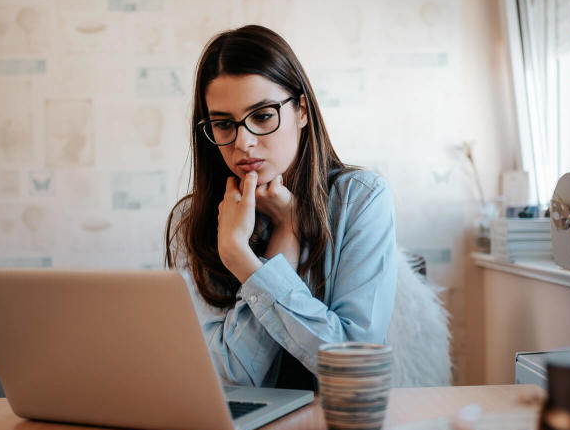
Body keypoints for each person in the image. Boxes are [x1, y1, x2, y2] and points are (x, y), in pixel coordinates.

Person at [165, 25, 397, 390]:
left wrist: (244, 262)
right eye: (224, 124)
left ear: (301, 110)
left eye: (262, 116)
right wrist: (283, 245)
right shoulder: (192, 221)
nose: (243, 142)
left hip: (337, 429)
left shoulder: (361, 201)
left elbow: (355, 366)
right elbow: (229, 377)